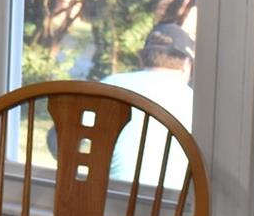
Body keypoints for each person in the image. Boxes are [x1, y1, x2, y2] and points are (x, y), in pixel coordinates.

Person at [42, 22, 196, 187]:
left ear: (143, 58)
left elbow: (59, 142)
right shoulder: (195, 102)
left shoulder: (113, 85)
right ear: (187, 63)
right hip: (173, 209)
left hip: (110, 202)